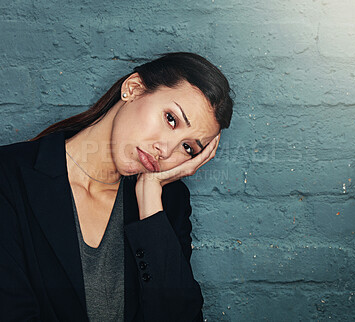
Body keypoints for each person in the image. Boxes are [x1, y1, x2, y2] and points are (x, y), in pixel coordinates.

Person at [0, 52, 233, 321]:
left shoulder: (167, 203)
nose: (165, 151)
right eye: (171, 119)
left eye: (187, 147)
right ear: (133, 89)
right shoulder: (10, 177)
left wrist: (149, 196)